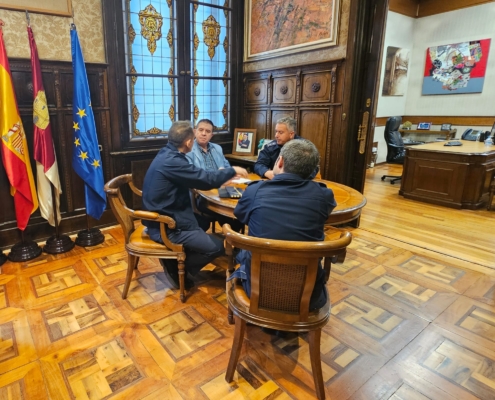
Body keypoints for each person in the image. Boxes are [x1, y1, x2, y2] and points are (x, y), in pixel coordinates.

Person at [230, 139, 336, 313]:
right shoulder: (324, 196)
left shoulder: (255, 191)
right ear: (314, 171)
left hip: (257, 289)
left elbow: (240, 216)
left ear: (279, 162)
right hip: (307, 295)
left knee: (242, 254)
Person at [142, 120, 248, 288]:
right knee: (219, 247)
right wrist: (233, 170)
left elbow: (199, 177)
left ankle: (180, 257)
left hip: (166, 215)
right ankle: (177, 268)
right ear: (189, 142)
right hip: (167, 225)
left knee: (204, 221)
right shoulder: (174, 161)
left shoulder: (166, 153)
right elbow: (206, 179)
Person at [186, 119, 244, 232]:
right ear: (194, 132)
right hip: (203, 194)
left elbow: (227, 168)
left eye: (207, 131)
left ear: (211, 135)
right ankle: (230, 241)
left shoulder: (217, 148)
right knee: (229, 215)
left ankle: (236, 243)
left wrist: (229, 173)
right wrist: (219, 175)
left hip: (223, 189)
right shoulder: (189, 150)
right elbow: (193, 176)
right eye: (201, 130)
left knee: (241, 207)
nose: (204, 133)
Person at [254, 116, 318, 179]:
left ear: (291, 134)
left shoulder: (305, 147)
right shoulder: (271, 147)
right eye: (276, 131)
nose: (276, 135)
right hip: (276, 182)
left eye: (280, 132)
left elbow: (312, 171)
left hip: (298, 184)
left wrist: (286, 177)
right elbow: (259, 164)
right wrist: (267, 172)